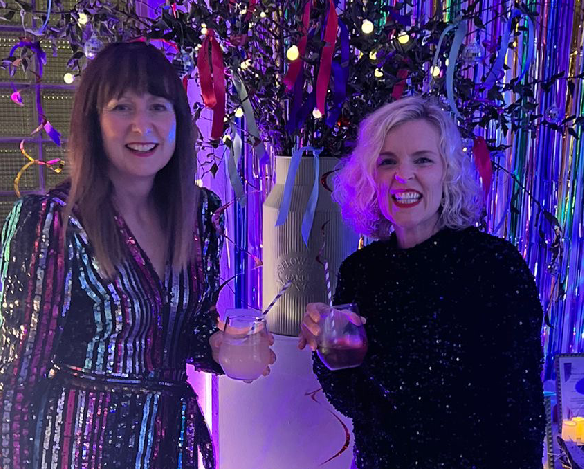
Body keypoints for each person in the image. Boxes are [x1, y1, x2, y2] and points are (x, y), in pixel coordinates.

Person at [0, 42, 274, 469]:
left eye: (158, 107)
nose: (142, 125)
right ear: (93, 123)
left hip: (170, 446)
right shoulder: (51, 221)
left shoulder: (197, 215)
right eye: (122, 108)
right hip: (80, 450)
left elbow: (187, 332)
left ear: (178, 122)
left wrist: (220, 346)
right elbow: (14, 381)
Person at [298, 96, 545, 468]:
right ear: (370, 176)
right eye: (388, 161)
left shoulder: (495, 267)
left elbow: (521, 421)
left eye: (423, 160)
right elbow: (355, 402)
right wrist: (326, 344)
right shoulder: (360, 271)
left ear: (447, 172)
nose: (403, 175)